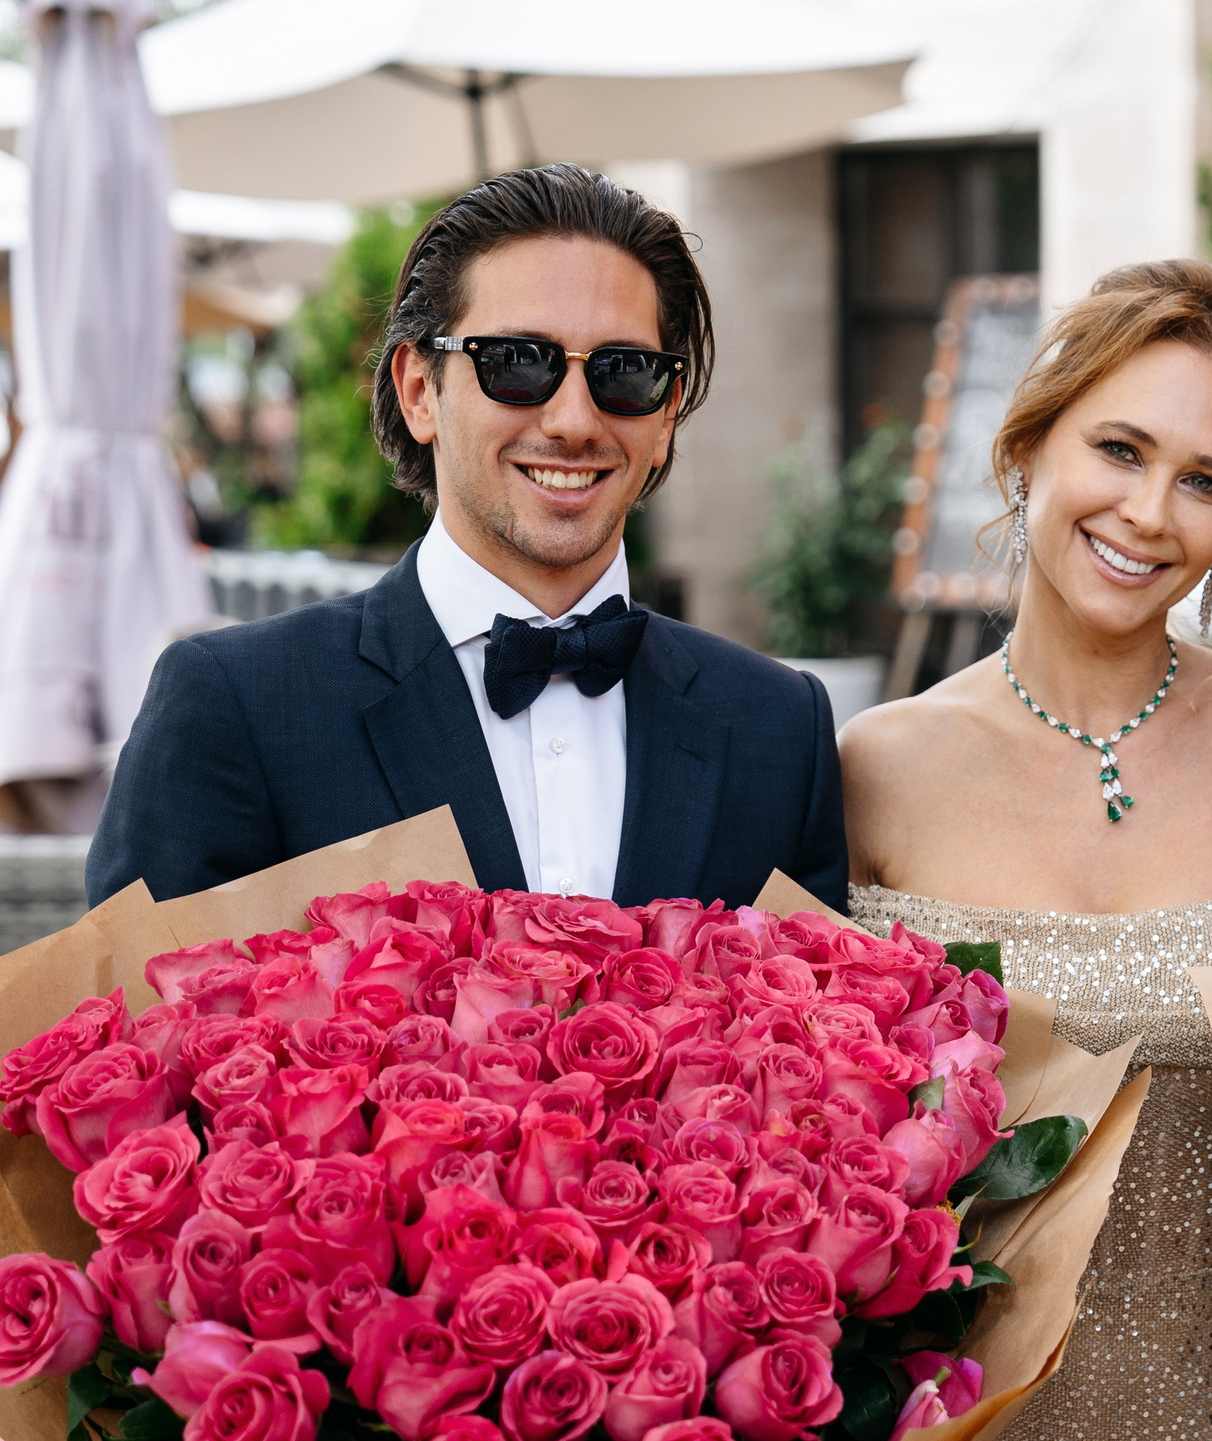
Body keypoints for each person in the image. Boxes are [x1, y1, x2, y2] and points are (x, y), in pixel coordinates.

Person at [836, 260, 1212, 1441]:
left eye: (1205, 479)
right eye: (1119, 449)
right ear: (1030, 447)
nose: (1148, 511)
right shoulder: (875, 770)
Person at [87, 165, 848, 912]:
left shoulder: (780, 733)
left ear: (666, 414)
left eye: (623, 371)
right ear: (420, 391)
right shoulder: (239, 706)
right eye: (518, 363)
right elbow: (132, 1022)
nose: (574, 421)